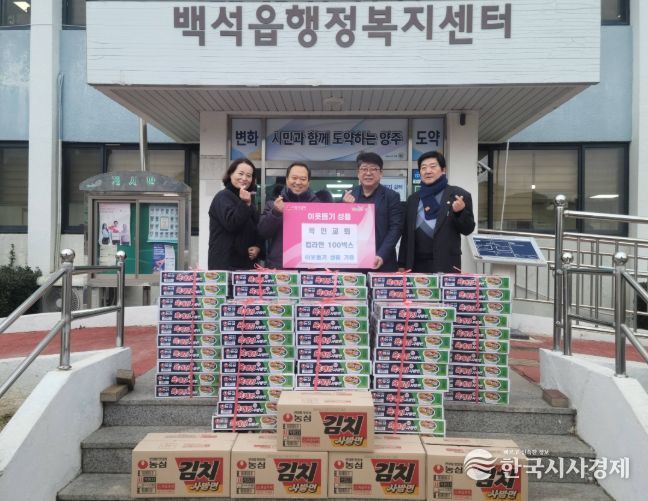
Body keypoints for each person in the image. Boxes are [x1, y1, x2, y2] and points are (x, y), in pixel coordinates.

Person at [398, 150, 475, 273]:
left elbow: (468, 229)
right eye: (423, 168)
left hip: (446, 263)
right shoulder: (413, 199)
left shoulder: (458, 195)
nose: (428, 171)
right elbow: (406, 235)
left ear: (443, 170)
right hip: (415, 264)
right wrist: (401, 263)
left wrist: (459, 212)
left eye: (433, 166)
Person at [342, 152, 403, 271]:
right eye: (364, 169)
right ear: (358, 173)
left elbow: (396, 228)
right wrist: (346, 208)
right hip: (353, 261)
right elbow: (340, 228)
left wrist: (381, 254)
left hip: (381, 262)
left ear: (381, 173)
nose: (368, 173)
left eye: (373, 169)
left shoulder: (392, 196)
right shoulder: (348, 195)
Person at [258, 162, 318, 268]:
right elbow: (263, 233)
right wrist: (275, 213)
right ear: (286, 179)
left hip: (309, 268)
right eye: (294, 178)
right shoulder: (273, 204)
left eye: (303, 179)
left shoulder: (318, 206)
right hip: (279, 268)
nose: (298, 182)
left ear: (308, 182)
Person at [208, 158, 264, 270]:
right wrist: (245, 204)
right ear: (231, 174)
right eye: (240, 173)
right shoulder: (222, 196)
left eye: (249, 175)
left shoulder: (248, 201)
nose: (244, 178)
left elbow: (257, 228)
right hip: (225, 264)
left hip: (246, 264)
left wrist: (258, 246)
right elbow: (232, 224)